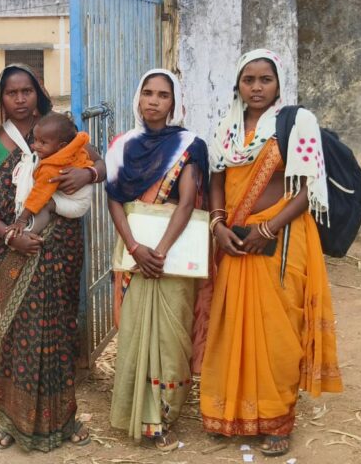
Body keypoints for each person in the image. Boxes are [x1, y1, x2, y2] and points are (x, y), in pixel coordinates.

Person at [200, 49, 342, 457]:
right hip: (234, 239)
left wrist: (268, 228)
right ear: (238, 84)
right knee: (232, 325)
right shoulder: (226, 127)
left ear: (278, 84)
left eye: (265, 79)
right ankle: (231, 413)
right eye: (249, 80)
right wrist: (218, 225)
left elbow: (308, 186)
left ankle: (278, 419)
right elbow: (217, 179)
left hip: (282, 239)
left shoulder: (296, 122)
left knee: (278, 328)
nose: (257, 87)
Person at [0, 64, 106, 452]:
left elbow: (100, 163)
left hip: (61, 246)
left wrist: (88, 176)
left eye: (26, 91)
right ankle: (11, 420)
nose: (20, 99)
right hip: (14, 249)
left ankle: (64, 419)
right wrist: (7, 235)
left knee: (59, 331)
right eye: (12, 93)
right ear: (1, 97)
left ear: (38, 92)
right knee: (18, 333)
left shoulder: (58, 130)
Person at [105, 69, 208, 451]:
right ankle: (138, 415)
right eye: (148, 93)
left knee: (171, 336)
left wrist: (159, 252)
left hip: (172, 257)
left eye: (163, 95)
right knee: (134, 331)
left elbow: (187, 202)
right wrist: (135, 248)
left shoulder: (189, 145)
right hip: (136, 254)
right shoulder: (122, 145)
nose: (154, 101)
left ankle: (163, 415)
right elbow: (114, 199)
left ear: (174, 102)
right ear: (138, 98)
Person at [4, 111, 94, 240]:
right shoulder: (74, 146)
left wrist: (22, 220)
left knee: (45, 204)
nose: (36, 146)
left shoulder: (51, 169)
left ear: (61, 146)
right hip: (82, 194)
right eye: (35, 140)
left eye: (43, 143)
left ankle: (29, 232)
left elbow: (38, 195)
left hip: (76, 203)